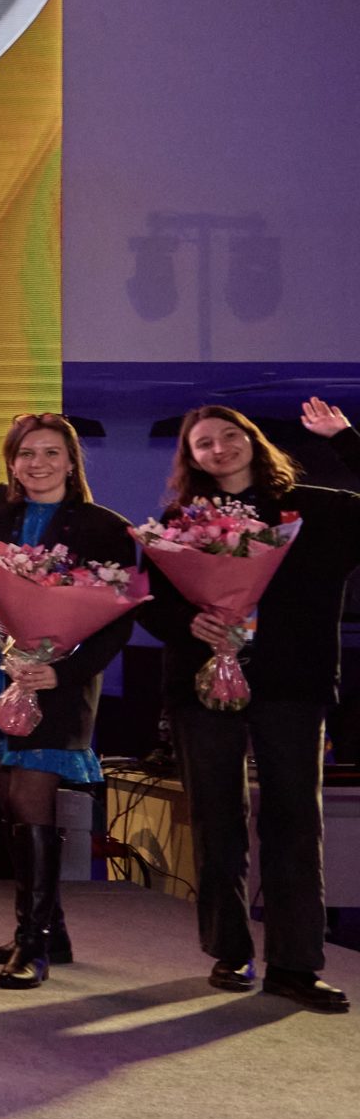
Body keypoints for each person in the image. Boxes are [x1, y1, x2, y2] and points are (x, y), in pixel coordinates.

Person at [0, 360, 136, 990]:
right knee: (8, 808)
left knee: (30, 800)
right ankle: (45, 930)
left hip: (55, 688)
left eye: (50, 453)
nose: (37, 463)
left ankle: (33, 945)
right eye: (26, 454)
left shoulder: (105, 527)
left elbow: (118, 622)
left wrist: (62, 675)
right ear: (12, 464)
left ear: (71, 462)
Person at [137, 400, 360, 1013]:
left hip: (292, 684)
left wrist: (345, 438)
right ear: (191, 459)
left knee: (295, 822)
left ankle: (295, 964)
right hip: (201, 684)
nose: (219, 448)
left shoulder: (316, 509)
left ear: (253, 440)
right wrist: (190, 624)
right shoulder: (178, 523)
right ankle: (230, 952)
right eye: (204, 443)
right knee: (217, 819)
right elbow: (149, 601)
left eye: (229, 435)